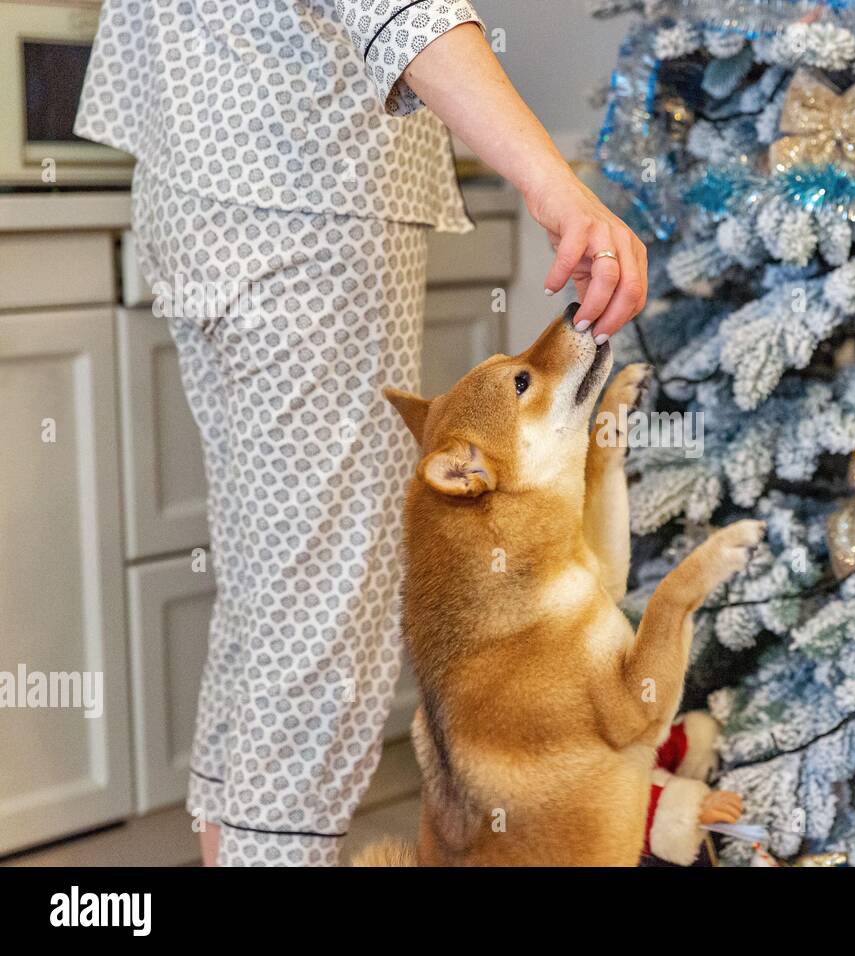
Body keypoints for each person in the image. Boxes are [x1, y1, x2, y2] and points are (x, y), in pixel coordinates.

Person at [75, 0, 647, 866]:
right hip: (305, 195)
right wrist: (557, 185)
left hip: (204, 189)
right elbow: (399, 10)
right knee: (323, 618)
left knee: (270, 592)